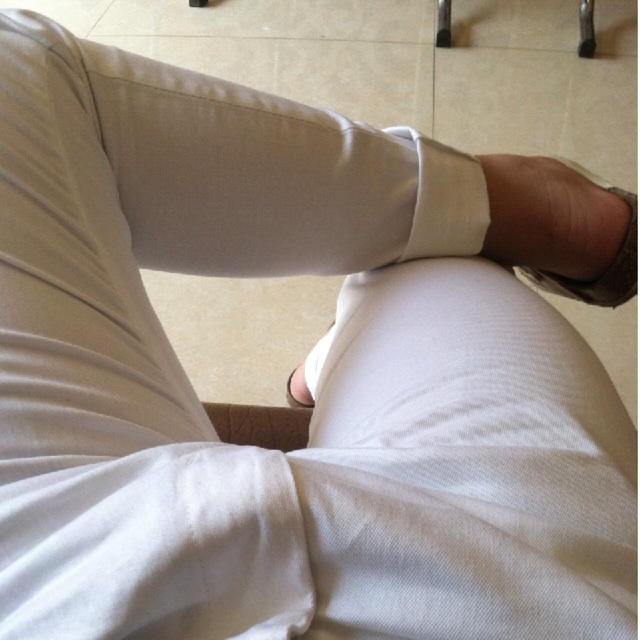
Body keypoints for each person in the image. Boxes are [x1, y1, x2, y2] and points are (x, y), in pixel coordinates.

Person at [0, 9, 636, 639]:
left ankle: (329, 359)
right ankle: (509, 209)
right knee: (416, 271)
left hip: (65, 569)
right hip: (488, 589)